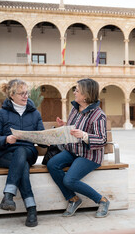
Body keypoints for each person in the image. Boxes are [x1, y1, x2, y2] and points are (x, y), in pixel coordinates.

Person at [47, 78, 110, 218]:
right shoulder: (75, 109)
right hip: (73, 151)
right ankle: (73, 199)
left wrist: (84, 135)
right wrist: (64, 125)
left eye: (77, 90)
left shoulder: (99, 115)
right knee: (52, 164)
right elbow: (72, 128)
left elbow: (102, 140)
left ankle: (102, 200)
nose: (74, 92)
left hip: (89, 155)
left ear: (86, 95)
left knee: (69, 180)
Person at [0, 79, 44, 227]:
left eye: (27, 93)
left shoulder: (35, 113)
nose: (26, 96)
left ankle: (8, 196)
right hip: (5, 154)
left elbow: (42, 139)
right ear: (11, 95)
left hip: (29, 151)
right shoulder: (1, 113)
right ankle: (31, 209)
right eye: (22, 93)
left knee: (21, 152)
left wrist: (47, 139)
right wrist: (6, 139)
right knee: (22, 165)